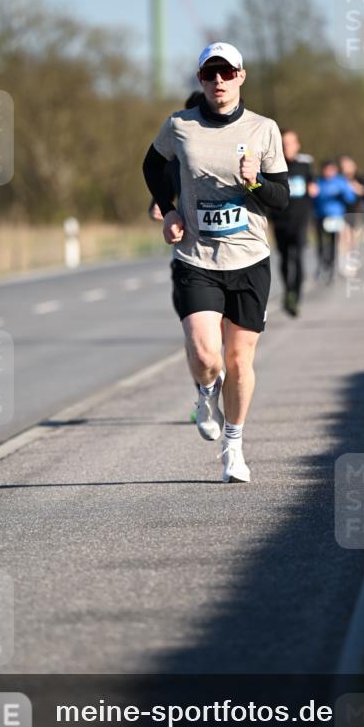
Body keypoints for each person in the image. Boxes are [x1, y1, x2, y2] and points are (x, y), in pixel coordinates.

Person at [142, 42, 288, 483]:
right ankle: (206, 392)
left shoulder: (264, 129)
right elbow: (151, 166)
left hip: (249, 259)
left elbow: (281, 201)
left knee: (240, 360)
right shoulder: (180, 126)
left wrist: (254, 182)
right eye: (210, 74)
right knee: (207, 354)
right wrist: (168, 209)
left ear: (241, 76)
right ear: (200, 79)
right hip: (197, 257)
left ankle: (234, 449)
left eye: (227, 73)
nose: (219, 81)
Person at [269, 129, 314, 316]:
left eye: (290, 143)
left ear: (297, 145)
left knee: (298, 257)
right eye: (284, 143)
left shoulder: (305, 166)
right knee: (285, 258)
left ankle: (296, 294)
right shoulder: (272, 166)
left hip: (300, 219)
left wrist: (314, 189)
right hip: (280, 220)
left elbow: (312, 185)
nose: (287, 146)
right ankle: (288, 291)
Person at [148, 91, 204, 221]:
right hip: (190, 234)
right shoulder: (175, 159)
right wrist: (161, 207)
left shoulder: (234, 147)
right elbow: (163, 190)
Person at [310, 159, 358, 283]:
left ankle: (331, 267)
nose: (328, 173)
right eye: (326, 170)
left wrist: (342, 194)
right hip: (321, 216)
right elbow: (313, 199)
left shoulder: (341, 182)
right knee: (321, 243)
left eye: (330, 170)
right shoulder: (319, 182)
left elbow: (351, 198)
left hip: (336, 217)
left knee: (333, 243)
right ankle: (322, 264)